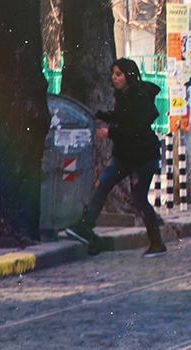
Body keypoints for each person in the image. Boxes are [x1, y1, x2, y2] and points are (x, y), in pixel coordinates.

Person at [65, 58, 166, 258]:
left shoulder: (139, 97)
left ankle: (157, 243)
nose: (114, 78)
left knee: (139, 199)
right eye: (113, 74)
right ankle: (86, 227)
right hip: (123, 155)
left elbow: (136, 128)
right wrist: (109, 117)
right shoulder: (123, 96)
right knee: (102, 184)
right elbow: (125, 118)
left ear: (128, 75)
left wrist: (110, 131)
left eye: (118, 74)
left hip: (142, 157)